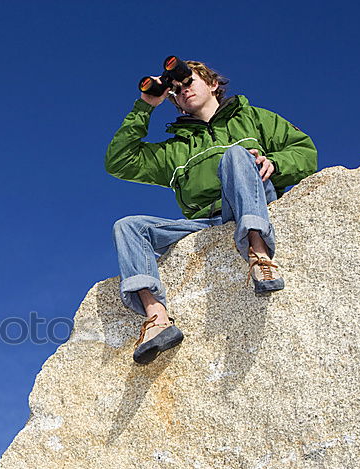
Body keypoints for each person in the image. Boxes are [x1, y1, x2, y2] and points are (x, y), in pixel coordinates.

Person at [105, 60, 317, 364]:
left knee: (235, 154)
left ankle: (259, 256)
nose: (183, 90)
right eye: (176, 90)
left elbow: (305, 151)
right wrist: (146, 105)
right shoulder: (174, 150)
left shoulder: (252, 118)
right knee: (128, 226)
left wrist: (276, 163)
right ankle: (157, 319)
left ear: (213, 84)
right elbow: (119, 161)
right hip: (206, 221)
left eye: (188, 81)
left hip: (251, 203)